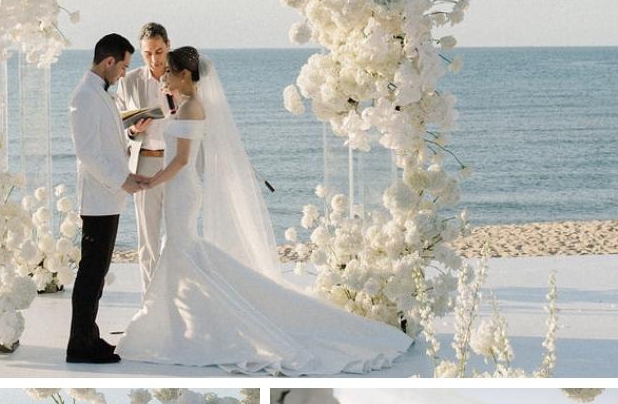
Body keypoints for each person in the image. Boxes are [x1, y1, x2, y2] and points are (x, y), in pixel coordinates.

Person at [116, 46, 413, 375]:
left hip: (181, 190)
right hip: (178, 188)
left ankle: (177, 329)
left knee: (179, 249)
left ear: (185, 74)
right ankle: (177, 325)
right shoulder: (184, 105)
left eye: (169, 72)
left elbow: (183, 160)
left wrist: (152, 181)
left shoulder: (191, 108)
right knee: (182, 251)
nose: (164, 76)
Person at [66, 33, 149, 365]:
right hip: (98, 198)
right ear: (109, 61)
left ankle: (90, 336)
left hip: (109, 197)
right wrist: (122, 180)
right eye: (123, 66)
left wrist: (132, 135)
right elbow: (88, 153)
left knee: (97, 275)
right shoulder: (85, 97)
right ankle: (78, 345)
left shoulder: (101, 94)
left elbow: (109, 142)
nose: (124, 73)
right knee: (90, 274)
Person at [116, 22, 178, 290]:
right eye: (148, 53)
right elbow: (117, 125)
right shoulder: (129, 81)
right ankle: (150, 299)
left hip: (176, 162)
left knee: (178, 234)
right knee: (148, 237)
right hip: (145, 163)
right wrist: (133, 130)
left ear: (168, 46)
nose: (154, 59)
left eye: (159, 51)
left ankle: (177, 292)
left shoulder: (183, 77)